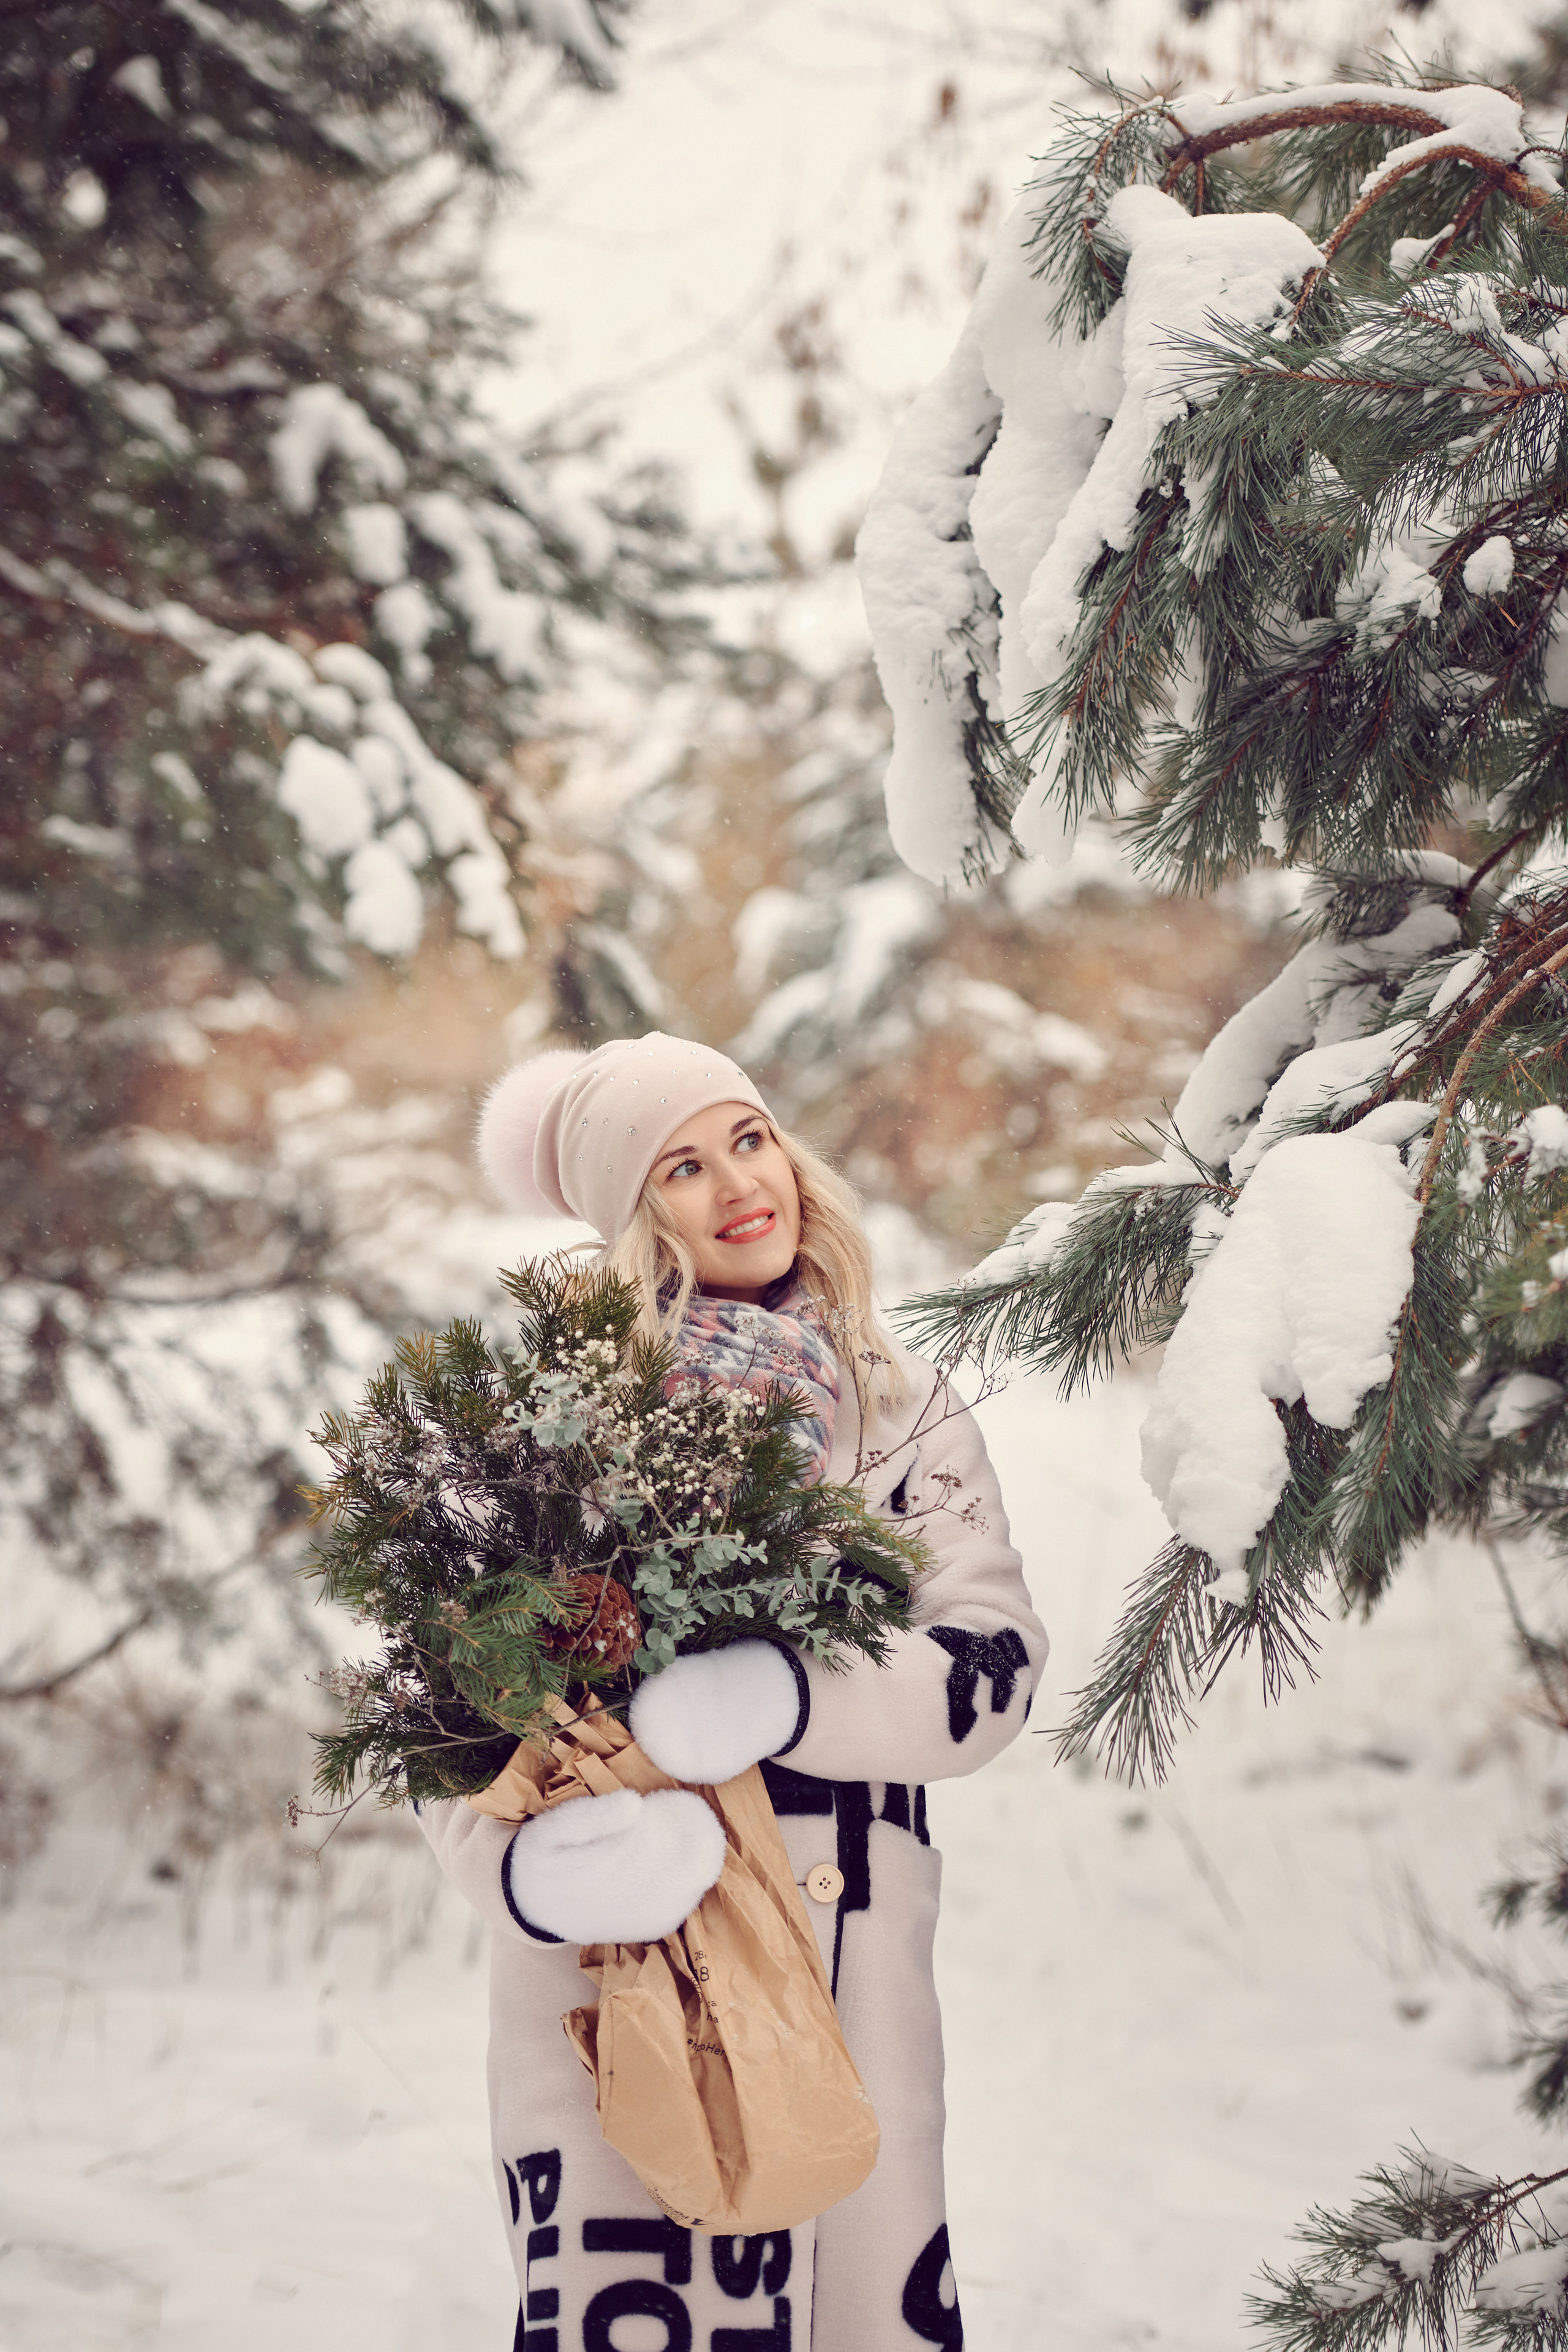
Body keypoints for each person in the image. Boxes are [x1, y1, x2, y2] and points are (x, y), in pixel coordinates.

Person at [418, 1033, 1047, 2352]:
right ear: (635, 1216)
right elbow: (439, 1711)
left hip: (848, 1960)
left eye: (747, 1140)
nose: (739, 1186)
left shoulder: (900, 1405)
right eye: (683, 1167)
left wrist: (795, 1693)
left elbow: (991, 1662)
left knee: (856, 2311)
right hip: (615, 1973)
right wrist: (521, 1875)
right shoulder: (552, 1419)